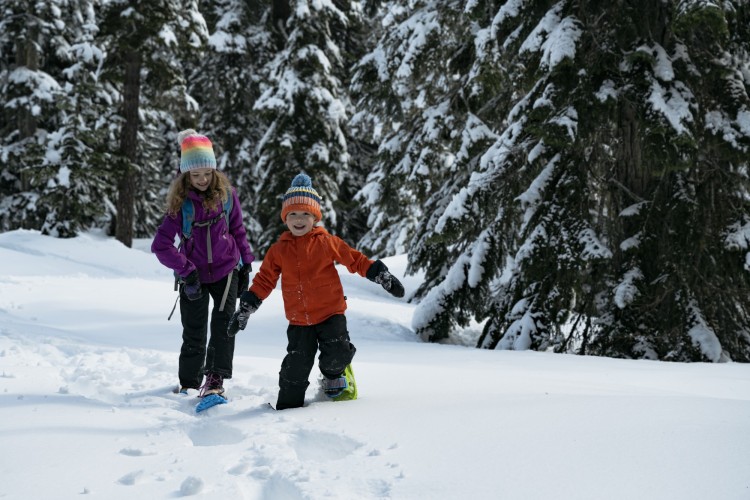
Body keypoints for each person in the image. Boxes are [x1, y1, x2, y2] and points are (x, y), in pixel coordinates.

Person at [227, 173, 404, 410]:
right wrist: (247, 307)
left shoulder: (325, 241)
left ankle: (336, 374)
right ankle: (287, 411)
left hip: (331, 313)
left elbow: (354, 259)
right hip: (299, 320)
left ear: (315, 217)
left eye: (305, 214)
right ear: (285, 218)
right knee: (294, 370)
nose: (299, 220)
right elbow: (265, 279)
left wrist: (379, 274)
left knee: (335, 356)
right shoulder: (279, 250)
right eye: (293, 214)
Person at [151, 129, 254, 401]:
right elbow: (160, 245)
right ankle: (188, 384)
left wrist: (246, 265)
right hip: (193, 277)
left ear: (214, 171)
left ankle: (215, 379)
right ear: (186, 176)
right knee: (194, 331)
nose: (202, 180)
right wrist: (186, 270)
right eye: (195, 175)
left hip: (226, 270)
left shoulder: (227, 196)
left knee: (223, 326)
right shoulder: (181, 205)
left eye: (207, 173)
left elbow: (238, 230)